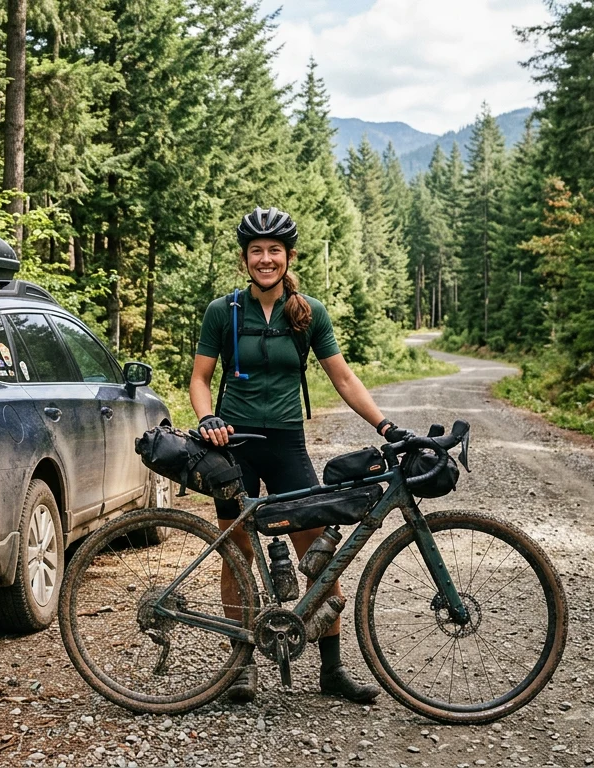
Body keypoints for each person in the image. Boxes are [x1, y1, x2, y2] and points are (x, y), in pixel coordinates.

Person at [189, 206, 414, 704]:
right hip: (236, 445)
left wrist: (385, 425)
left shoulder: (308, 312)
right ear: (245, 258)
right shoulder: (221, 311)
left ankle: (331, 672)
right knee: (238, 553)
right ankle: (241, 664)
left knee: (318, 552)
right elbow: (200, 379)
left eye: (274, 251)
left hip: (287, 443)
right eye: (256, 251)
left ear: (288, 257)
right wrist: (208, 419)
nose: (265, 259)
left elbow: (344, 377)